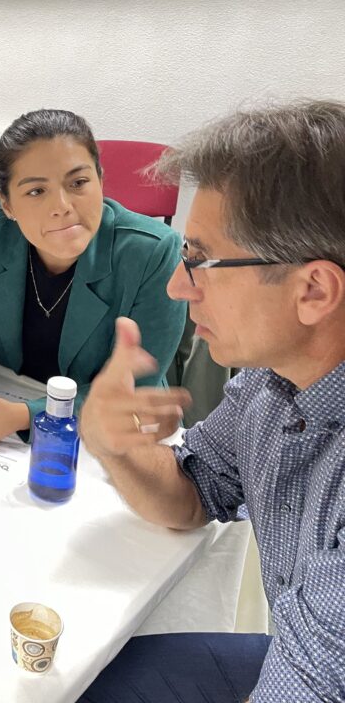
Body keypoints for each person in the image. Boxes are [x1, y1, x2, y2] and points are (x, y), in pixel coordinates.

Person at [77, 101, 345, 703]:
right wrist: (115, 446)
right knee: (85, 674)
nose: (178, 286)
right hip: (296, 650)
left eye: (200, 261)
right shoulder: (270, 384)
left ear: (313, 290)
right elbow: (198, 491)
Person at [0, 109, 185, 445]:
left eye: (78, 183)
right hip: (11, 398)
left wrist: (24, 416)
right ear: (7, 204)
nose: (62, 206)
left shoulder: (153, 252)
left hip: (113, 432)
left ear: (100, 180)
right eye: (36, 191)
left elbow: (134, 389)